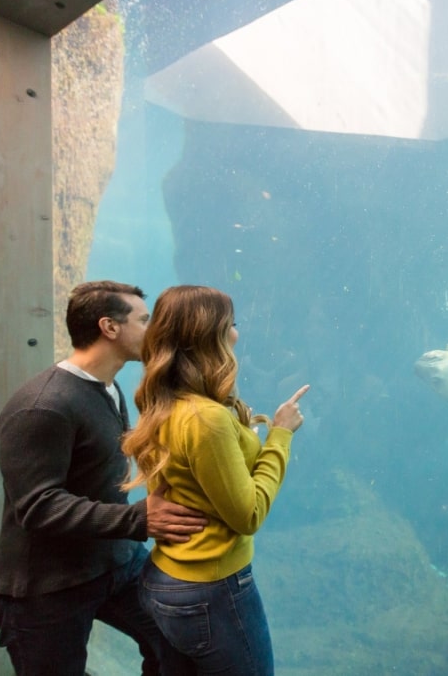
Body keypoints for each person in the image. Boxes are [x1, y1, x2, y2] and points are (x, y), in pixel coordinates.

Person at [0, 280, 210, 676]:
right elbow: (39, 506)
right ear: (110, 327)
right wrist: (139, 519)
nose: (154, 330)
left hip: (114, 563)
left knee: (182, 650)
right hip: (46, 587)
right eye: (144, 320)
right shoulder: (42, 407)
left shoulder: (109, 387)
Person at [121, 285, 309, 676]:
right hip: (212, 592)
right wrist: (281, 436)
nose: (237, 333)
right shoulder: (206, 418)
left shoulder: (163, 399)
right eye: (232, 323)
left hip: (165, 577)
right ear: (209, 333)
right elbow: (249, 515)